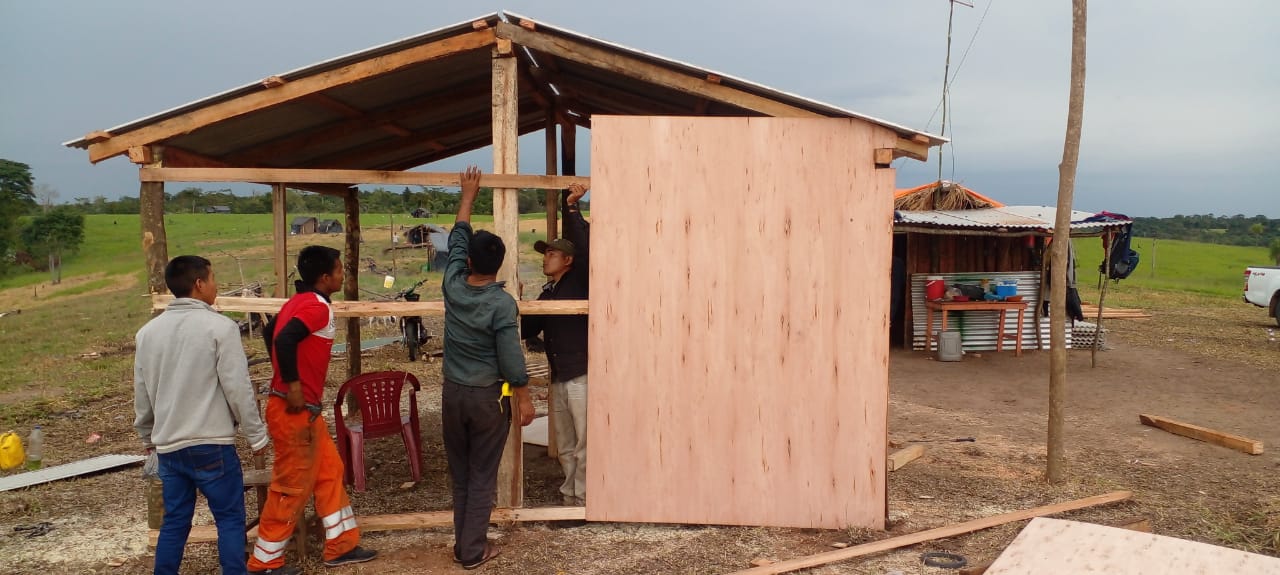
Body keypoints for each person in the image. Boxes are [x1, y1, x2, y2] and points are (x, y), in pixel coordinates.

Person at [134, 255, 269, 575]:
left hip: (169, 447)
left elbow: (142, 392)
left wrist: (147, 435)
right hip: (212, 444)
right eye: (212, 279)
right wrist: (256, 434)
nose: (216, 285)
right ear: (199, 284)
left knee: (176, 522)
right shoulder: (220, 328)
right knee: (229, 518)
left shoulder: (147, 334)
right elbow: (237, 388)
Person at [248, 246, 376, 574]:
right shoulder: (317, 308)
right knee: (290, 486)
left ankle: (341, 546)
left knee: (329, 471)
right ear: (324, 277)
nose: (342, 275)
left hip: (306, 411)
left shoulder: (297, 302)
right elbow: (285, 340)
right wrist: (291, 384)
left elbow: (269, 331)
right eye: (339, 270)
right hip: (294, 411)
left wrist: (287, 377)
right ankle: (264, 562)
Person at [442, 166, 535, 569]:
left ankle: (464, 544)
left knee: (462, 474)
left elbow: (457, 239)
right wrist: (525, 395)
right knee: (482, 475)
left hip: (452, 393)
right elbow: (511, 359)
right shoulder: (501, 304)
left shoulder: (452, 284)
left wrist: (467, 198)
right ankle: (473, 551)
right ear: (500, 264)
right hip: (486, 398)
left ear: (467, 262)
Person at [521, 182, 590, 506]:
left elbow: (585, 246)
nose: (545, 258)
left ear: (568, 260)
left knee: (585, 442)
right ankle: (570, 497)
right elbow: (528, 327)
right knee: (564, 442)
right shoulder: (549, 291)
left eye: (551, 253)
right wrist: (518, 304)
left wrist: (572, 206)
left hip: (580, 373)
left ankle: (586, 500)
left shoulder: (580, 281)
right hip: (560, 374)